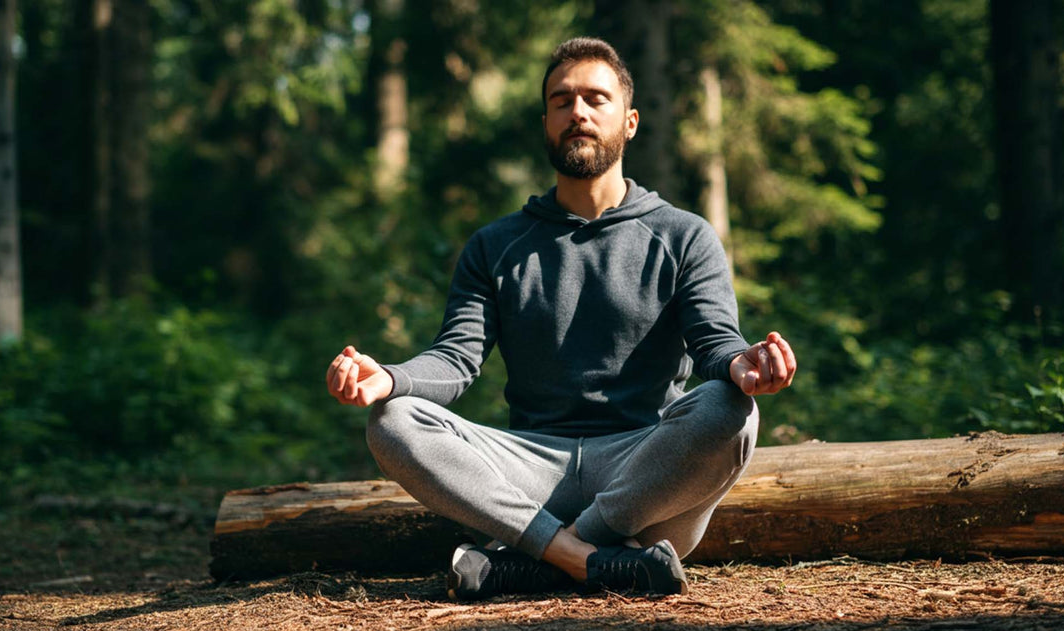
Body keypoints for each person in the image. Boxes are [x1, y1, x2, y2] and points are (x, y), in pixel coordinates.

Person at [325, 37, 796, 600]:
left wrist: (743, 365)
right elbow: (456, 358)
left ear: (630, 122)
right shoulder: (495, 245)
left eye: (596, 99)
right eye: (561, 100)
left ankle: (538, 557)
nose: (578, 111)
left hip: (642, 479)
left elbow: (716, 341)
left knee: (731, 409)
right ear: (546, 121)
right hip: (527, 470)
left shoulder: (683, 235)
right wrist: (391, 378)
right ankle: (592, 562)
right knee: (393, 421)